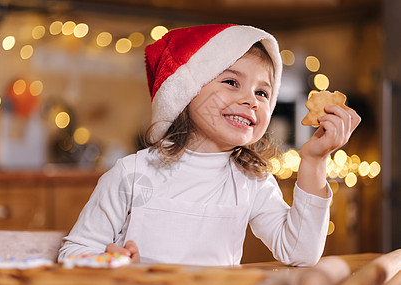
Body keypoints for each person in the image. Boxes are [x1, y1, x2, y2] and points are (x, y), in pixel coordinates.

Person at [58, 24, 360, 266]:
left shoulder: (251, 182)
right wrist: (107, 261)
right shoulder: (131, 174)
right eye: (231, 82)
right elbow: (73, 251)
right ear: (184, 93)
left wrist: (315, 161)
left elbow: (300, 253)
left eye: (263, 93)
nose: (250, 100)